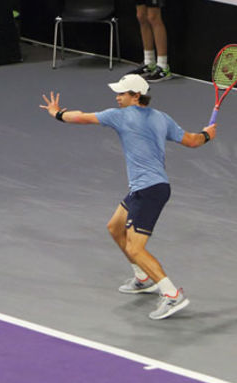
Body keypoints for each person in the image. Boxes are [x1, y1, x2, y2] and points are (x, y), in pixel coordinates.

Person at [39, 74, 217, 320]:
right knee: (115, 227)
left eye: (122, 93)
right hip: (146, 188)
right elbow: (193, 141)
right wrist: (207, 134)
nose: (117, 96)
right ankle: (143, 279)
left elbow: (80, 117)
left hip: (149, 191)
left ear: (136, 96)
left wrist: (56, 113)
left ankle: (171, 294)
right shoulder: (161, 118)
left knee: (135, 248)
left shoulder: (119, 115)